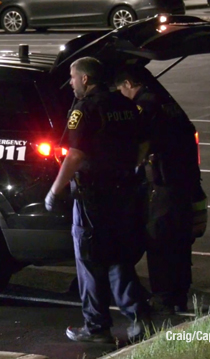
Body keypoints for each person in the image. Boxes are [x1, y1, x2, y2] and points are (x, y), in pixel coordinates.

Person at [45, 57, 150, 344]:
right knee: (119, 257)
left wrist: (55, 190)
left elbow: (76, 155)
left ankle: (96, 327)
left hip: (94, 195)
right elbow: (144, 142)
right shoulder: (124, 105)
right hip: (125, 192)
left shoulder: (85, 109)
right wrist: (130, 166)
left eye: (73, 77)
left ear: (86, 79)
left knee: (90, 259)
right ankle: (140, 317)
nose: (70, 82)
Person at [114, 65, 203, 314]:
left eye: (121, 89)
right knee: (181, 241)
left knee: (160, 241)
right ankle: (179, 294)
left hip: (163, 185)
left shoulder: (145, 105)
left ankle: (164, 299)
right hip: (184, 181)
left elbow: (140, 142)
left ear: (129, 83)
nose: (121, 94)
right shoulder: (168, 102)